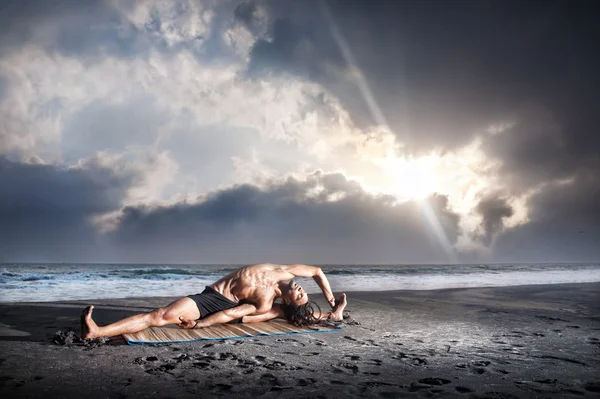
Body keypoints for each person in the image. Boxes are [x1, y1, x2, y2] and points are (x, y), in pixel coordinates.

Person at [81, 263, 347, 339]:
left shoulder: (265, 304)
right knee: (160, 314)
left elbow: (229, 315)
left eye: (300, 295)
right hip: (210, 292)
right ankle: (333, 314)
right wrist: (330, 296)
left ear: (289, 301)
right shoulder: (284, 270)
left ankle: (97, 332)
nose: (301, 289)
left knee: (160, 315)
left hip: (216, 302)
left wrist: (199, 325)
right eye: (303, 291)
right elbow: (316, 272)